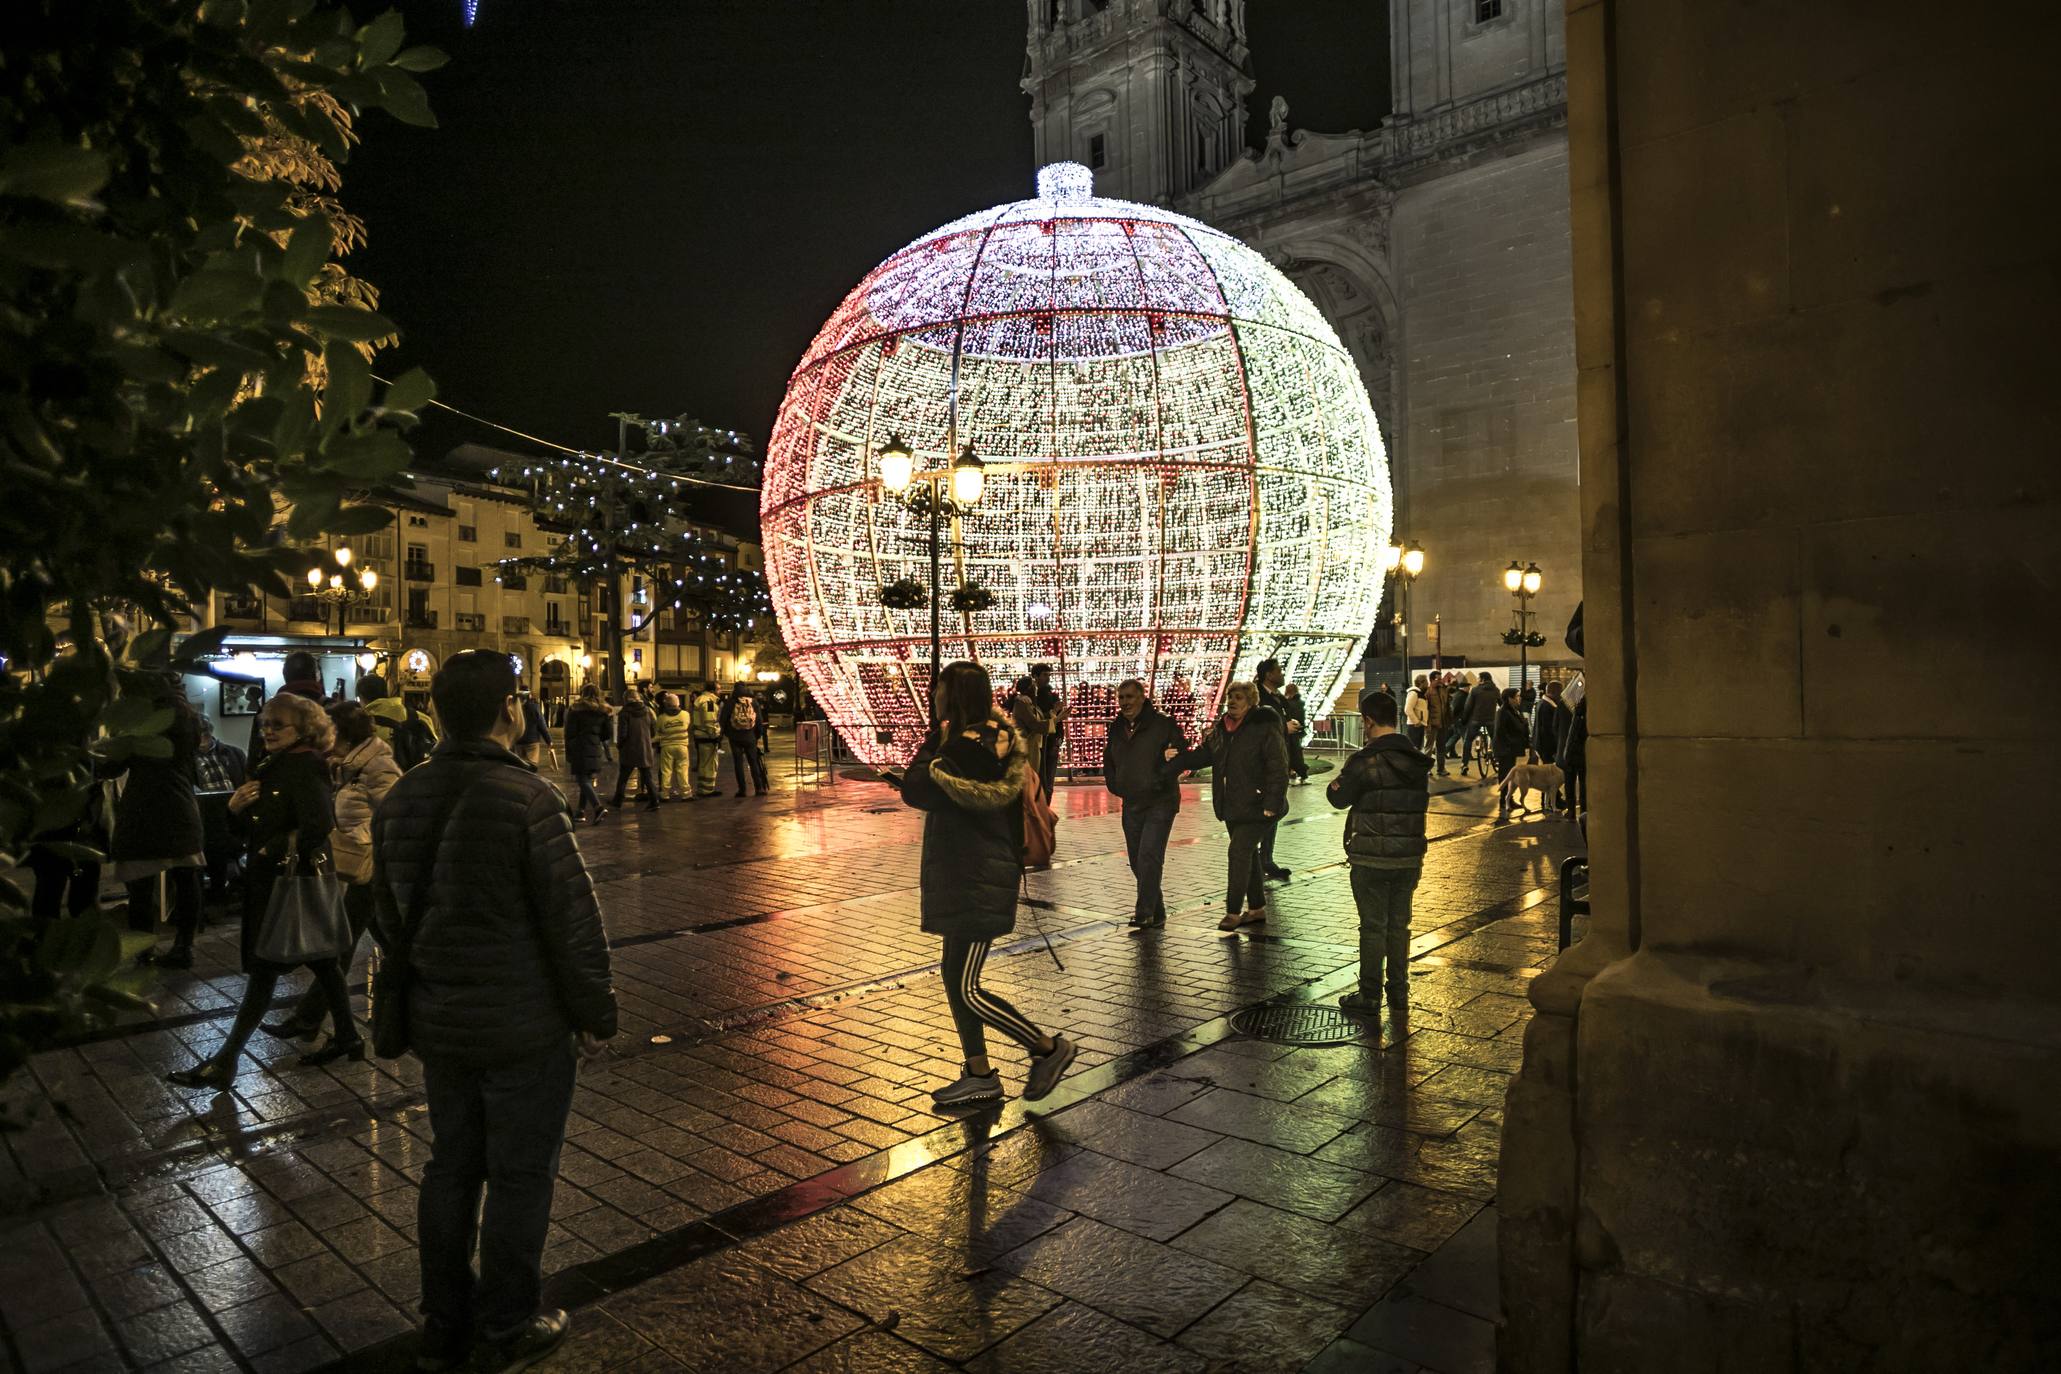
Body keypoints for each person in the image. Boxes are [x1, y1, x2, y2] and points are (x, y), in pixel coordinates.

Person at [370, 651, 617, 1374]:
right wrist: (596, 1013)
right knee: (519, 1173)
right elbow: (571, 921)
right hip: (523, 1024)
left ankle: (443, 1319)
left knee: (452, 1166)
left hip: (441, 1022)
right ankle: (508, 1321)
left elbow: (383, 919)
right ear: (510, 708)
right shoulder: (527, 798)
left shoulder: (402, 798)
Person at [899, 661, 1074, 1109]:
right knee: (954, 977)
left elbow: (917, 787)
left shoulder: (976, 744)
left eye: (939, 688)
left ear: (953, 695)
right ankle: (979, 1073)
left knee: (966, 987)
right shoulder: (970, 741)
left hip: (978, 875)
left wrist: (934, 745)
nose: (933, 695)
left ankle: (1047, 1049)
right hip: (962, 873)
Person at [169, 691, 355, 1086]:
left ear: (303, 729)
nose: (267, 730)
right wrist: (234, 809)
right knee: (322, 960)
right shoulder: (273, 764)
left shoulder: (305, 765)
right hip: (273, 880)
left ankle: (225, 1061)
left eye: (278, 724)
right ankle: (349, 1038)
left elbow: (318, 824)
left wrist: (275, 849)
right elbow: (252, 825)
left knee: (265, 970)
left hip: (288, 882)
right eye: (265, 724)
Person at [263, 701, 402, 1040]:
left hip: (371, 866)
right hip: (357, 868)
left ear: (341, 732)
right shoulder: (344, 765)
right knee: (385, 943)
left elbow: (395, 816)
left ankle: (312, 1020)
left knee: (339, 947)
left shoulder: (378, 765)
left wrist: (366, 839)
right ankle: (340, 1031)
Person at [1327, 688, 1430, 1019]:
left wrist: (1336, 784)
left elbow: (1338, 798)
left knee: (1373, 926)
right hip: (1409, 856)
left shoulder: (1362, 761)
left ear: (1367, 721)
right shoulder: (1416, 760)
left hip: (1371, 857)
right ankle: (1399, 993)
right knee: (1399, 925)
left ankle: (1369, 995)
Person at [1169, 681, 1289, 931]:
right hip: (1233, 804)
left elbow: (1278, 764)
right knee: (1247, 853)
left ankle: (1233, 911)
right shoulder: (1223, 729)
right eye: (1230, 698)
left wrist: (1271, 802)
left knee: (1238, 851)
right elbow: (1205, 755)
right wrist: (1177, 759)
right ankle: (1256, 908)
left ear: (1251, 701)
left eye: (1238, 698)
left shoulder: (1263, 725)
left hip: (1259, 805)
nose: (1232, 702)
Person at [105, 675, 205, 969]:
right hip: (181, 805)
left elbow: (113, 766)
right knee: (187, 879)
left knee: (140, 886)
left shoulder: (141, 721)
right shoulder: (189, 717)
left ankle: (144, 951)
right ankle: (184, 946)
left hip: (143, 809)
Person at [1102, 679, 1188, 929]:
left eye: (1129, 697)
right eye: (1121, 698)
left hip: (1160, 800)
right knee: (1136, 858)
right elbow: (1110, 756)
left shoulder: (1162, 724)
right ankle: (1156, 908)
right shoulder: (1117, 726)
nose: (1125, 702)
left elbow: (1180, 752)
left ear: (1142, 697)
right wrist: (1114, 782)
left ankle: (1144, 912)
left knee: (1149, 854)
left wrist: (1160, 775)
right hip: (1132, 800)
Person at [193, 715, 248, 898]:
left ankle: (225, 888)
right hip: (203, 821)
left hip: (235, 816)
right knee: (213, 836)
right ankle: (218, 890)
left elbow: (245, 784)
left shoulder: (233, 754)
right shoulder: (186, 759)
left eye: (205, 734)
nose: (202, 739)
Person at [1252, 659, 1296, 880]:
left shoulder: (1277, 698)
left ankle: (1265, 859)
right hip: (1265, 766)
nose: (1282, 673)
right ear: (1268, 675)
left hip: (1279, 761)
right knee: (1276, 808)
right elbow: (1258, 728)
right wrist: (1283, 728)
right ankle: (1257, 855)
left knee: (1274, 809)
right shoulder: (1258, 697)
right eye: (1279, 670)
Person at [248, 650, 327, 765]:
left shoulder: (268, 710)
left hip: (277, 778)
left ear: (285, 676)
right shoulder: (331, 707)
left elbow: (254, 757)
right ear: (316, 675)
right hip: (323, 778)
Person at [360, 673, 438, 772]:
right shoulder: (422, 719)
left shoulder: (363, 726)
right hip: (419, 781)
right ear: (387, 691)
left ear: (361, 698)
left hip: (387, 784)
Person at [562, 685, 612, 823]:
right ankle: (580, 811)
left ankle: (598, 807)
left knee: (582, 780)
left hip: (579, 747)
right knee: (586, 780)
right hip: (595, 747)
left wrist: (569, 750)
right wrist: (596, 738)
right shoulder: (603, 711)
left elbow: (569, 733)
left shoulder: (575, 710)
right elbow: (607, 734)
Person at [610, 686, 659, 812]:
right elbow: (653, 729)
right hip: (644, 747)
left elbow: (622, 733)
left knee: (623, 777)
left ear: (626, 699)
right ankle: (654, 800)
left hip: (629, 748)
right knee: (647, 776)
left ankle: (617, 800)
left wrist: (620, 744)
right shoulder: (647, 710)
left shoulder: (624, 713)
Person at [1007, 676, 1053, 792]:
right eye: (1033, 685)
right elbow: (1034, 724)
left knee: (1034, 778)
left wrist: (1054, 714)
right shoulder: (1022, 703)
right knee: (1029, 779)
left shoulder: (1031, 703)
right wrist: (1056, 720)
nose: (1035, 687)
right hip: (1027, 745)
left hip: (1035, 745)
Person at [724, 686, 768, 796]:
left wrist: (727, 734)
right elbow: (759, 720)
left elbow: (723, 719)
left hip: (735, 737)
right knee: (753, 762)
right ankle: (759, 788)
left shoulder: (730, 702)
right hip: (750, 737)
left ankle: (742, 789)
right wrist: (757, 735)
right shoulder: (753, 702)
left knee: (738, 764)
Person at [1029, 663, 1066, 791]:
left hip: (1050, 743)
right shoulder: (1030, 698)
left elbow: (1059, 721)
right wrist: (1053, 713)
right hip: (1036, 744)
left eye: (1049, 675)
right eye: (1045, 675)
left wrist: (1059, 740)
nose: (1048, 678)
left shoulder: (1053, 696)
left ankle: (1045, 808)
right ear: (1035, 676)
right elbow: (1035, 721)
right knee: (1037, 781)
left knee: (1048, 783)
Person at [1493, 687, 1531, 804]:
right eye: (1517, 696)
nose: (1519, 699)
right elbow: (1501, 731)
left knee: (1510, 773)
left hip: (1511, 748)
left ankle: (1508, 799)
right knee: (1505, 774)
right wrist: (1512, 743)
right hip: (1506, 749)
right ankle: (1504, 799)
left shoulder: (1514, 710)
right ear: (1509, 698)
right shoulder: (1503, 712)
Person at [653, 692, 694, 801]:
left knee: (666, 771)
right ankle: (686, 793)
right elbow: (688, 725)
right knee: (683, 770)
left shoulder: (661, 718)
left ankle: (665, 794)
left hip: (667, 746)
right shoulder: (685, 715)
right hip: (682, 746)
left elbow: (658, 731)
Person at [1460, 671, 1498, 777]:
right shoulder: (1495, 690)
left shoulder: (1475, 690)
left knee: (1468, 740)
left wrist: (1464, 719)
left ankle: (1464, 764)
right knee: (1495, 738)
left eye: (1478, 678)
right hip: (1491, 720)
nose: (1477, 680)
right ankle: (1496, 759)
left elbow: (1468, 706)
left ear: (1482, 679)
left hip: (1475, 720)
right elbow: (1501, 703)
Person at [689, 685, 724, 798]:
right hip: (707, 737)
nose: (721, 691)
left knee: (703, 763)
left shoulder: (700, 699)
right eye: (719, 689)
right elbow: (709, 721)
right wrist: (715, 736)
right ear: (712, 691)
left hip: (700, 736)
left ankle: (702, 788)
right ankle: (708, 789)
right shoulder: (709, 703)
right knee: (710, 764)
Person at [1558, 693, 1588, 824]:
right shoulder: (1589, 711)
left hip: (1569, 751)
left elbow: (1557, 727)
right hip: (1583, 752)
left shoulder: (1565, 705)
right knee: (1583, 782)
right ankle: (1583, 810)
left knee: (1569, 782)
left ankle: (1571, 811)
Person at [1282, 683, 1311, 784]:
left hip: (1288, 732)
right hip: (1296, 731)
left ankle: (1292, 772)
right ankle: (1302, 774)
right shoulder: (1300, 703)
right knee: (1297, 754)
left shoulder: (1286, 703)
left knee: (1289, 754)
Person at [1421, 671, 1449, 777]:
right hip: (1431, 724)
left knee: (1441, 747)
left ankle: (1441, 769)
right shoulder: (1427, 692)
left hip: (1442, 723)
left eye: (1441, 678)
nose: (1440, 680)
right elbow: (1425, 709)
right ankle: (1426, 769)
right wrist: (1426, 724)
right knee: (1428, 747)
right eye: (1438, 679)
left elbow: (1446, 705)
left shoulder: (1443, 690)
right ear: (1431, 680)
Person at [516, 689, 551, 769]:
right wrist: (548, 740)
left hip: (518, 740)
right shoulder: (534, 707)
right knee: (532, 765)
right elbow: (541, 725)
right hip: (532, 741)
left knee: (520, 766)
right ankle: (529, 779)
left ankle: (522, 779)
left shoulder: (515, 707)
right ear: (529, 696)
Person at [1405, 675, 1431, 751]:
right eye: (1426, 681)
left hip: (1418, 725)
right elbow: (1407, 709)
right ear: (1422, 682)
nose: (1428, 684)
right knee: (1414, 748)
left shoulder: (1420, 694)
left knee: (1418, 748)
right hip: (1414, 726)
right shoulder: (1413, 693)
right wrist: (1416, 721)